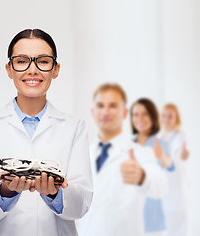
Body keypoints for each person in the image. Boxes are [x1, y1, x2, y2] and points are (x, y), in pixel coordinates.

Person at [0, 29, 93, 236]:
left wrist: (55, 193)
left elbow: (81, 205)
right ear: (9, 69)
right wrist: (5, 191)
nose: (32, 70)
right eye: (22, 61)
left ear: (55, 69)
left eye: (43, 61)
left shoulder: (74, 128)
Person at [76, 83, 168, 236]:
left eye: (112, 106)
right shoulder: (84, 154)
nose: (105, 112)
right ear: (93, 112)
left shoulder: (139, 153)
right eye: (100, 106)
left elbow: (161, 185)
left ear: (125, 113)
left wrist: (142, 177)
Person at [130, 98, 175, 236]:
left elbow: (170, 165)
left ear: (153, 116)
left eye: (145, 114)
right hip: (131, 216)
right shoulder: (128, 144)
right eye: (136, 115)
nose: (140, 119)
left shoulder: (159, 143)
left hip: (153, 219)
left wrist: (162, 157)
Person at [158, 103, 189, 236]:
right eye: (164, 116)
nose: (166, 119)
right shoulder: (158, 138)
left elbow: (180, 152)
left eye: (170, 116)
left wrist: (182, 153)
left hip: (175, 194)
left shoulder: (179, 136)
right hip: (162, 193)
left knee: (176, 229)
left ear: (176, 119)